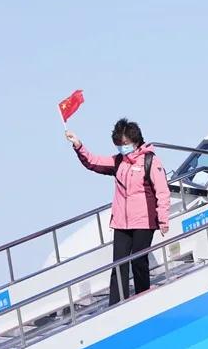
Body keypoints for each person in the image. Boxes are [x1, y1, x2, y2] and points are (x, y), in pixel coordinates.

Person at [65, 119, 170, 305]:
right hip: (121, 222)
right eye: (119, 144)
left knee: (138, 261)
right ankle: (116, 304)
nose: (122, 147)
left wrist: (163, 220)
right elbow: (93, 162)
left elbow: (162, 191)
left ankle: (143, 298)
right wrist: (78, 145)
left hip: (144, 221)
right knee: (119, 264)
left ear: (135, 140)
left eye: (124, 143)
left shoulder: (150, 161)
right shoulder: (118, 161)